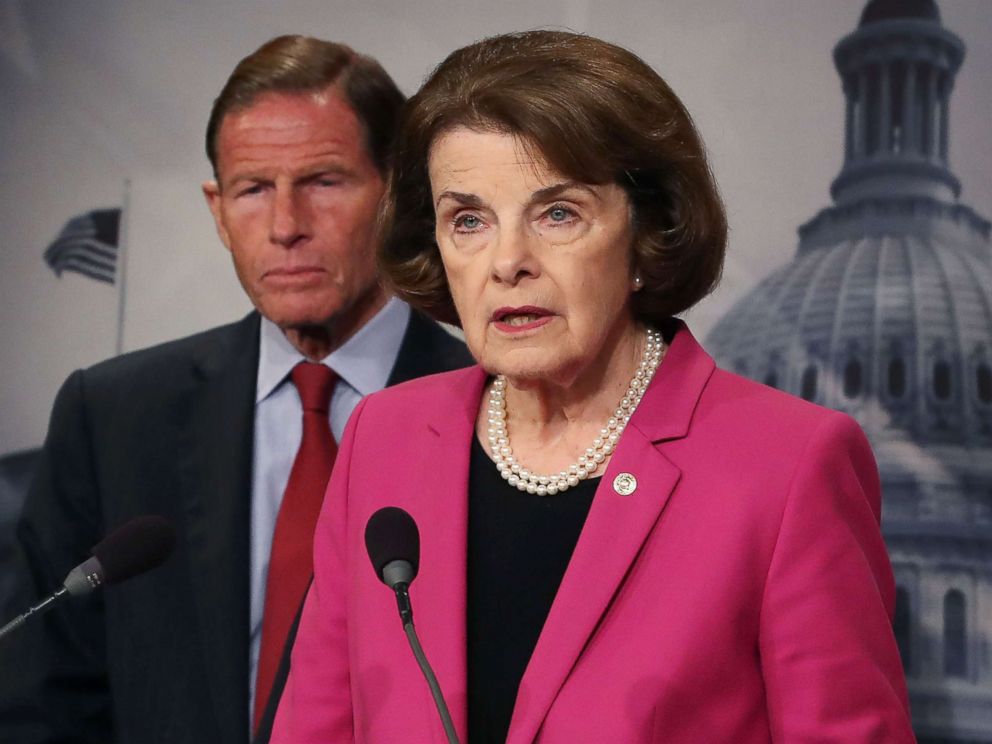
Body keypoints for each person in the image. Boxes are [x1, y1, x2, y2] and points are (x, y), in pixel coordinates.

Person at [271, 30, 915, 743]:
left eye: (557, 213)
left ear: (647, 234)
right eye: (469, 221)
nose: (508, 261)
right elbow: (314, 726)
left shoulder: (788, 467)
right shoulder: (382, 440)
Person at [0, 35, 471, 744]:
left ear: (397, 195)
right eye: (253, 190)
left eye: (324, 182)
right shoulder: (114, 415)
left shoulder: (498, 405)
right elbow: (43, 697)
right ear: (218, 210)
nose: (285, 227)